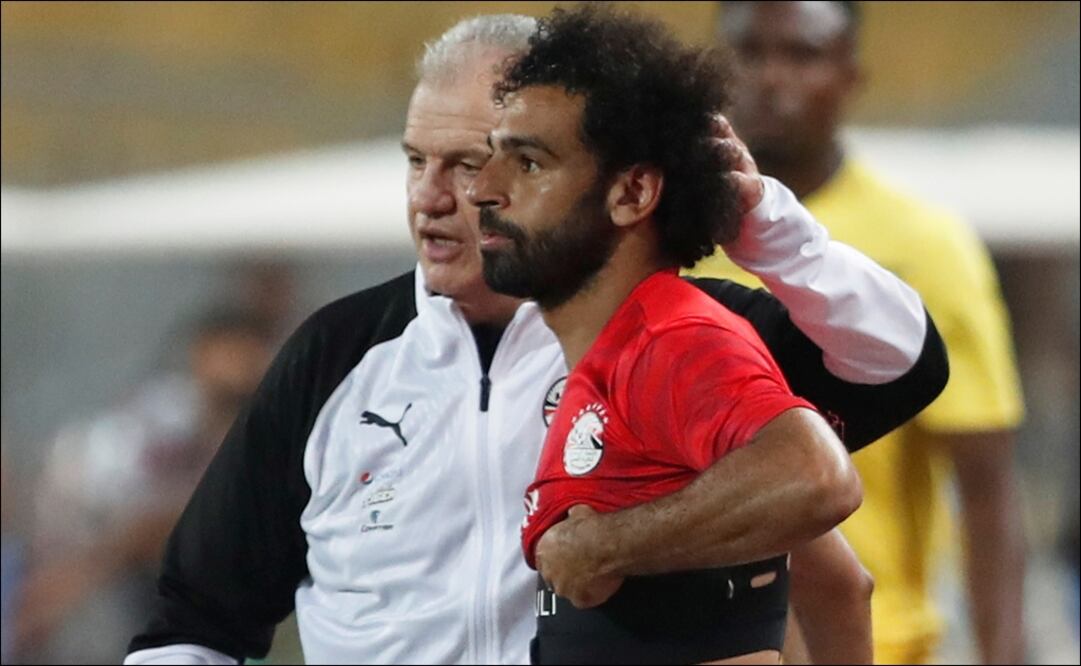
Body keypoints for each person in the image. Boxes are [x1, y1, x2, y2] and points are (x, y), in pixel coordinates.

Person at [125, 13, 946, 665]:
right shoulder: (336, 355)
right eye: (418, 162)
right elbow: (194, 621)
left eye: (484, 161)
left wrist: (766, 229)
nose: (442, 197)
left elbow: (896, 371)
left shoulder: (672, 336)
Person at [469, 5, 873, 663]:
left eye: (529, 163)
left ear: (631, 194)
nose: (483, 188)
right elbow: (841, 587)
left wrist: (605, 545)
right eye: (491, 157)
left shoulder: (672, 340)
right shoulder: (625, 353)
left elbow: (818, 478)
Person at [689, 2, 1027, 663]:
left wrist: (1001, 653)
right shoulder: (661, 234)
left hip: (870, 641)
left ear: (850, 75)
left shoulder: (924, 247)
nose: (769, 77)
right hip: (699, 640)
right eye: (747, 52)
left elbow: (986, 489)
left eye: (802, 54)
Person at [19, 307, 275, 665]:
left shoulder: (269, 431)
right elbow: (133, 515)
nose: (244, 368)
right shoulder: (159, 421)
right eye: (232, 352)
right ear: (200, 354)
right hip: (116, 578)